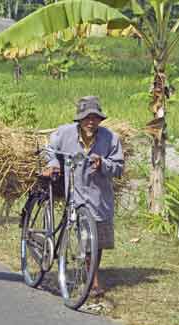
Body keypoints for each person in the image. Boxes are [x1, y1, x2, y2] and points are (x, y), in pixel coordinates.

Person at [43, 96, 124, 297]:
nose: (91, 122)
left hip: (100, 198)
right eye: (87, 117)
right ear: (79, 119)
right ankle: (93, 282)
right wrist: (53, 162)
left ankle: (90, 278)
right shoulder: (64, 133)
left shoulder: (110, 139)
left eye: (95, 118)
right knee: (86, 238)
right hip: (75, 194)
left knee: (97, 243)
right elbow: (49, 149)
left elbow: (119, 167)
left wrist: (103, 164)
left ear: (100, 120)